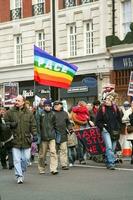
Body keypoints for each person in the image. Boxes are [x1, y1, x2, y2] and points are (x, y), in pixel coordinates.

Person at [4, 95, 37, 184]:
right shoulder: (10, 112)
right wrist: (10, 124)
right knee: (17, 160)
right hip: (15, 139)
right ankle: (19, 175)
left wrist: (35, 134)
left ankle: (21, 171)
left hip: (26, 140)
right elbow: (4, 121)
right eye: (16, 100)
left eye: (18, 100)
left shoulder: (29, 113)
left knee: (26, 159)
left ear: (23, 102)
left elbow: (33, 125)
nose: (16, 102)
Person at [96, 93, 122, 170]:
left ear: (112, 101)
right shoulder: (102, 108)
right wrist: (103, 128)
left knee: (113, 149)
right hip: (106, 131)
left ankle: (108, 160)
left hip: (115, 131)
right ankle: (111, 163)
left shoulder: (116, 108)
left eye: (108, 99)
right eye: (106, 99)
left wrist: (118, 127)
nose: (106, 101)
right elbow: (97, 121)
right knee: (109, 147)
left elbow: (119, 119)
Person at [38, 99, 58, 175]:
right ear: (43, 106)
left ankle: (53, 169)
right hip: (43, 137)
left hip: (52, 137)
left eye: (48, 106)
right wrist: (38, 135)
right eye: (45, 106)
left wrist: (56, 134)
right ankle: (41, 168)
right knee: (42, 155)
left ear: (50, 106)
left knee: (53, 152)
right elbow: (38, 125)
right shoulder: (40, 113)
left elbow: (55, 125)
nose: (47, 107)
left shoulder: (53, 114)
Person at [53, 100, 73, 170]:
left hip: (63, 134)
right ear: (55, 106)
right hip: (54, 135)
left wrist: (70, 129)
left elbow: (68, 123)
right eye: (59, 105)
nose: (60, 106)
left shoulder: (64, 113)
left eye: (60, 104)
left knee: (64, 150)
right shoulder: (51, 113)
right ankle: (54, 165)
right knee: (54, 151)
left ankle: (64, 164)